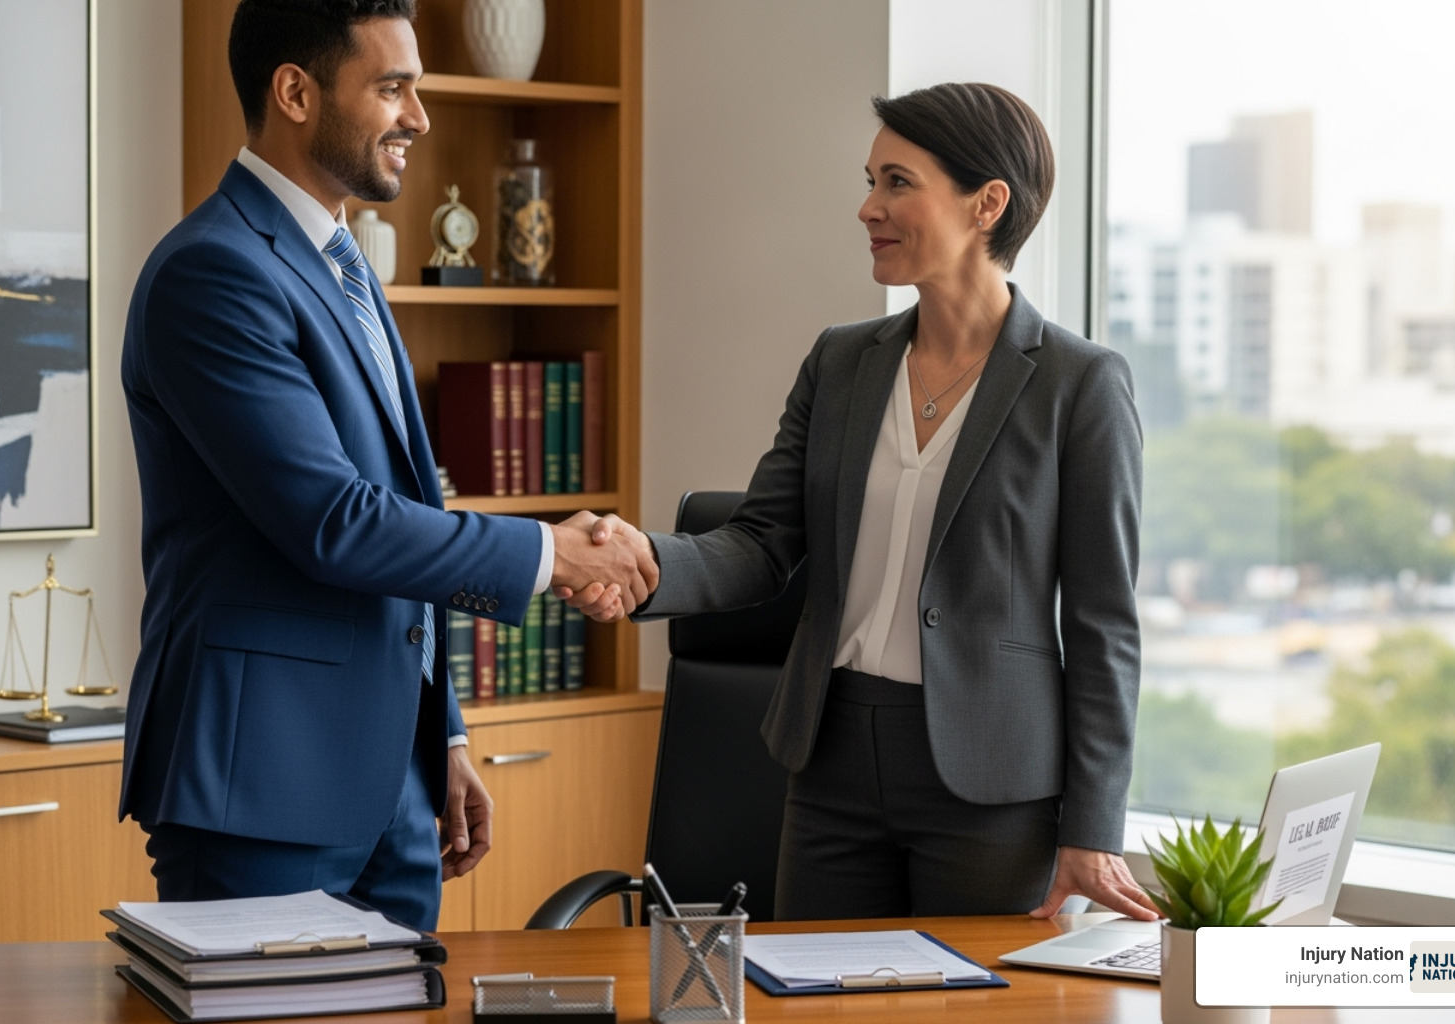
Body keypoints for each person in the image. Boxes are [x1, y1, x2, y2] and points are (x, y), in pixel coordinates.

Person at [565, 82, 1159, 922]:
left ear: (987, 203)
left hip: (990, 782)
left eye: (897, 183)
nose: (867, 207)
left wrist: (1093, 828)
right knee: (812, 1002)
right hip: (831, 759)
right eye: (870, 180)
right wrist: (645, 564)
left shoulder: (1079, 385)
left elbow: (1105, 624)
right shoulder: (842, 362)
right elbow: (764, 540)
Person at [118, 0, 653, 931]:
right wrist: (552, 555)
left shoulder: (342, 260)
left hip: (395, 790)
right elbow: (336, 520)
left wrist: (437, 733)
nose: (420, 117)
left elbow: (406, 500)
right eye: (393, 88)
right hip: (262, 791)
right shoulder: (213, 272)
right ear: (295, 92)